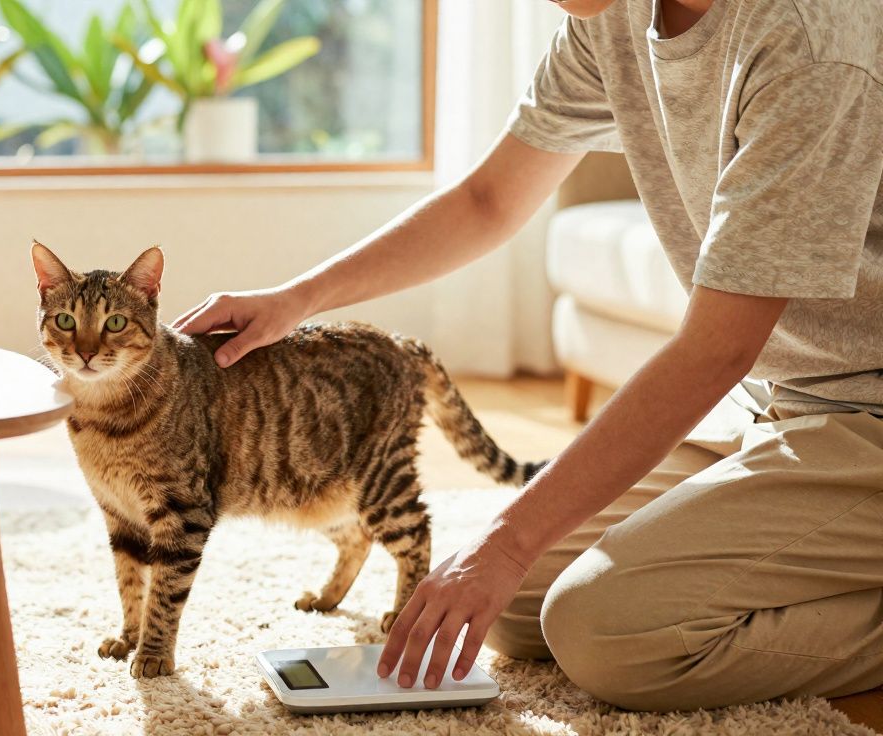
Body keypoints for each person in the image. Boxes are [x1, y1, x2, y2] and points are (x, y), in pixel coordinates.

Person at [173, 0, 883, 712]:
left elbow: (716, 348)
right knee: (513, 608)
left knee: (606, 633)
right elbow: (489, 199)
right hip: (775, 399)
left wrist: (506, 544)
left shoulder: (806, 36)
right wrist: (297, 299)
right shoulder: (613, 15)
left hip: (867, 411)